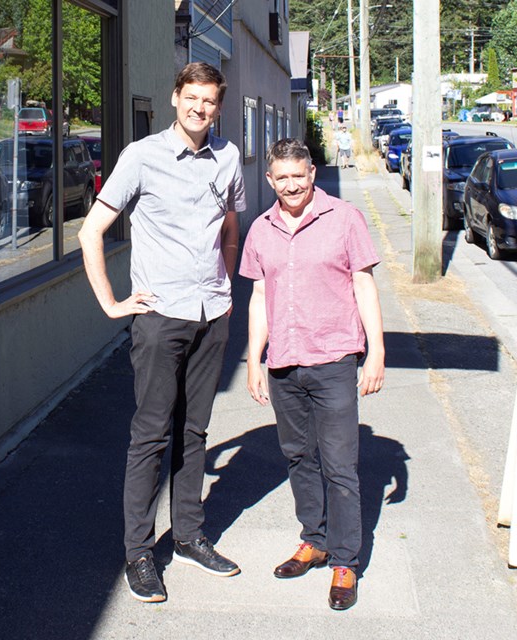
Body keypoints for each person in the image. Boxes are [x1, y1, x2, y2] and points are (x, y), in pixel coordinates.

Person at [77, 62, 245, 604]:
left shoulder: (229, 156)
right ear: (176, 98)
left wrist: (228, 289)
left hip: (211, 314)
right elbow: (90, 231)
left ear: (219, 107)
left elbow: (229, 225)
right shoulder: (142, 156)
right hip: (159, 317)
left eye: (210, 101)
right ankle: (139, 553)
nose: (200, 108)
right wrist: (111, 302)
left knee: (194, 432)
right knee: (150, 435)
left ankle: (191, 534)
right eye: (191, 97)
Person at [239, 138, 385, 611]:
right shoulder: (261, 229)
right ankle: (314, 539)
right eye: (281, 178)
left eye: (297, 176)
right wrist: (254, 359)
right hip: (284, 361)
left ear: (312, 173)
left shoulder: (343, 218)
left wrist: (377, 351)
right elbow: (259, 296)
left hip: (334, 358)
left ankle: (345, 560)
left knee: (341, 465)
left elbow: (364, 283)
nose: (290, 185)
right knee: (299, 457)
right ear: (270, 180)